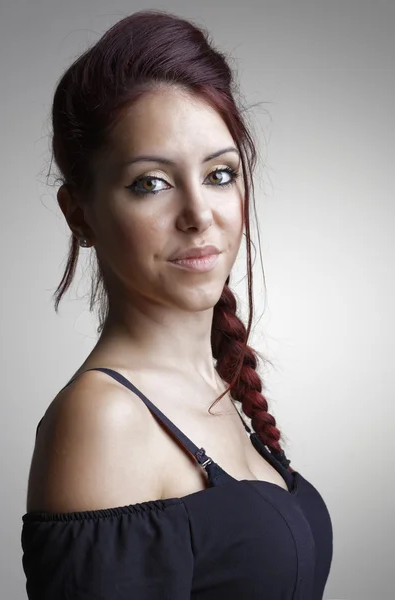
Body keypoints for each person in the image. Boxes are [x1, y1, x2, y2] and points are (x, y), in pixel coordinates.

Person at [21, 9, 333, 600]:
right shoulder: (104, 421)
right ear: (79, 212)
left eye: (220, 174)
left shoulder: (215, 386)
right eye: (151, 183)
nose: (199, 215)